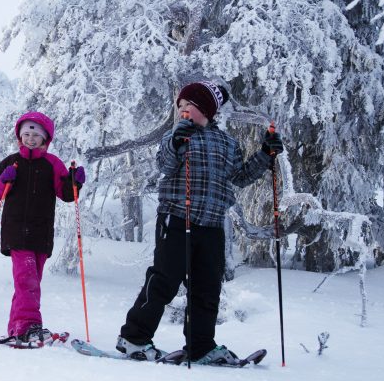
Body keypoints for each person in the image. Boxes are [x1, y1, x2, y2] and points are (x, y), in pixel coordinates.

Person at [115, 80, 283, 364]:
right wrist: (176, 141)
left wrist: (266, 154)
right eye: (179, 106)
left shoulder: (228, 143)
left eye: (188, 106)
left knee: (207, 288)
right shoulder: (177, 136)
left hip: (212, 225)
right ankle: (134, 338)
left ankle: (201, 346)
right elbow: (165, 165)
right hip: (177, 218)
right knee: (163, 281)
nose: (182, 111)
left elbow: (240, 176)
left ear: (205, 109)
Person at [0, 112, 84, 345]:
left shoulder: (53, 164)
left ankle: (17, 327)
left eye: (35, 135)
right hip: (16, 232)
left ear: (45, 139)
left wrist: (75, 181)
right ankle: (29, 326)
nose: (30, 138)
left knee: (29, 282)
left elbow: (67, 195)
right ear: (20, 136)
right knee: (26, 279)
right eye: (26, 134)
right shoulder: (10, 162)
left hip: (41, 233)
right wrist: (4, 180)